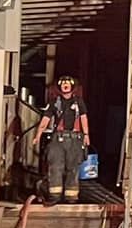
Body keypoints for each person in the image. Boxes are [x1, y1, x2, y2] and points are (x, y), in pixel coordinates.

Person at [33, 74, 91, 203]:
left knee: (73, 168)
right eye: (63, 84)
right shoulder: (54, 103)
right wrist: (38, 135)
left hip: (75, 139)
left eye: (67, 84)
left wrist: (86, 135)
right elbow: (45, 119)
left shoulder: (78, 102)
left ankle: (71, 197)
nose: (65, 86)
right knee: (55, 167)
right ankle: (54, 196)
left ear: (72, 87)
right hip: (57, 139)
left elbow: (83, 118)